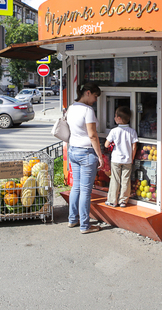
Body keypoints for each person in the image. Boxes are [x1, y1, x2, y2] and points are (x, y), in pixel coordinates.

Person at [66, 82, 103, 234]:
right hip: (86, 153)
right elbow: (92, 135)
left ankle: (73, 219)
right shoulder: (88, 110)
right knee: (85, 191)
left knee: (76, 187)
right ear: (87, 93)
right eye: (95, 96)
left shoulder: (71, 107)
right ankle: (85, 226)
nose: (95, 100)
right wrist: (100, 156)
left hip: (73, 150)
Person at [104, 106, 138, 208]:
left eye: (115, 116)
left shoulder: (114, 131)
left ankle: (112, 200)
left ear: (119, 118)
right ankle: (123, 201)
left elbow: (106, 144)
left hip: (116, 159)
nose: (114, 118)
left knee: (115, 179)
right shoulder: (132, 131)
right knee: (125, 180)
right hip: (127, 159)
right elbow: (134, 146)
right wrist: (132, 158)